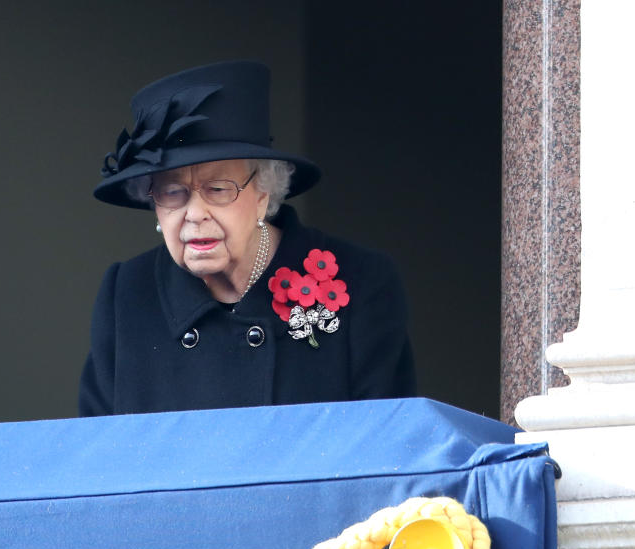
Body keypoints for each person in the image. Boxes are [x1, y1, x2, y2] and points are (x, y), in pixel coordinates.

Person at [80, 61, 415, 416]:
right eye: (173, 192)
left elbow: (387, 450)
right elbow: (100, 456)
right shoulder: (127, 294)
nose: (194, 214)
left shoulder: (361, 282)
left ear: (264, 194)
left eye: (218, 189)